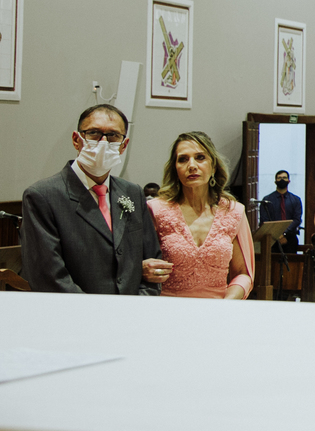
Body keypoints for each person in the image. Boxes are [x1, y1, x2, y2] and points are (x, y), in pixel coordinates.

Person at [20, 104, 165, 295]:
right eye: (94, 133)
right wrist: (94, 311)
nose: (103, 141)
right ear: (76, 139)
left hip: (132, 309)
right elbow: (48, 275)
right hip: (75, 310)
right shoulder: (42, 196)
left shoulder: (133, 193)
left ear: (123, 145)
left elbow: (153, 262)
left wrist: (136, 306)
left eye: (113, 135)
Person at [147, 131, 254, 299]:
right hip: (168, 307)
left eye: (200, 157)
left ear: (213, 166)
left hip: (217, 308)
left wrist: (227, 303)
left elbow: (243, 274)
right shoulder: (156, 209)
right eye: (183, 159)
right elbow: (137, 266)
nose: (192, 165)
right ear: (175, 169)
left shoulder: (233, 211)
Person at [260, 169, 302, 252]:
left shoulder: (296, 200)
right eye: (279, 178)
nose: (282, 180)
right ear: (275, 181)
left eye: (284, 178)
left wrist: (284, 233)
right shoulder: (267, 199)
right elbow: (264, 220)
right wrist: (277, 234)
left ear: (289, 181)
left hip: (290, 237)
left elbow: (297, 219)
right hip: (272, 238)